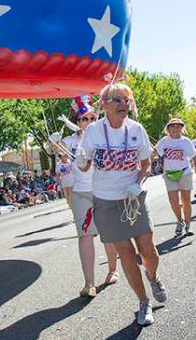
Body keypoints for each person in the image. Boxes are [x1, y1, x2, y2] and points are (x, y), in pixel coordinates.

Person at [77, 82, 165, 326]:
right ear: (104, 105)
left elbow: (146, 164)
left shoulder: (137, 129)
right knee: (125, 254)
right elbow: (84, 165)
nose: (123, 104)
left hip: (133, 198)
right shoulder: (93, 132)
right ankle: (143, 302)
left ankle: (153, 276)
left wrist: (137, 182)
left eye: (127, 100)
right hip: (105, 202)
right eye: (117, 99)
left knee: (149, 251)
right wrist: (81, 162)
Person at [57, 96, 120, 298]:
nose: (88, 122)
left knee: (108, 234)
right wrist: (54, 144)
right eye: (83, 119)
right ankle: (89, 283)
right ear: (77, 122)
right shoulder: (69, 141)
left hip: (103, 191)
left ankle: (112, 270)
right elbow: (60, 153)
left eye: (91, 118)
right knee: (84, 236)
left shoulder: (105, 136)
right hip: (80, 193)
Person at [155, 118, 196, 237]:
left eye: (178, 126)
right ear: (168, 129)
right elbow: (155, 152)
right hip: (169, 174)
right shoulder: (164, 141)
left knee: (186, 200)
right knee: (173, 200)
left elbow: (194, 157)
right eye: (172, 126)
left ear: (182, 128)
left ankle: (188, 225)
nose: (175, 128)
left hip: (185, 173)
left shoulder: (185, 141)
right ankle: (179, 220)